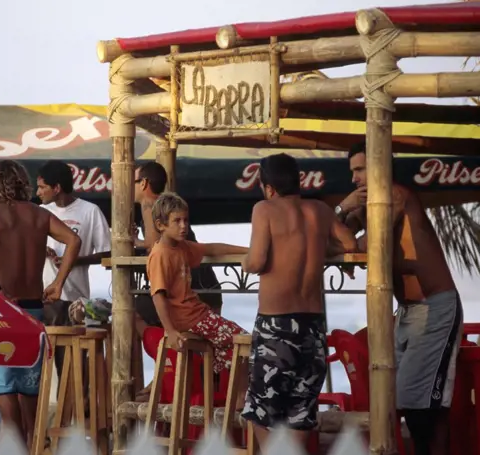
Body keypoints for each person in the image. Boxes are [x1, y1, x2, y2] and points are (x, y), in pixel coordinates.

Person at [335, 142, 463, 455]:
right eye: (352, 171)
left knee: (420, 407)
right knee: (400, 399)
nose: (355, 178)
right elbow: (337, 240)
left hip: (434, 308)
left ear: (381, 167)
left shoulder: (393, 196)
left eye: (360, 170)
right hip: (406, 312)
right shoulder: (368, 206)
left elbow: (357, 244)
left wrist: (339, 211)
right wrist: (344, 215)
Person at [239, 153, 357, 451]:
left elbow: (256, 260)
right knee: (300, 416)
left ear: (268, 187)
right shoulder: (320, 210)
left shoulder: (264, 209)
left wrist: (244, 261)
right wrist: (318, 243)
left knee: (259, 413)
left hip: (276, 327)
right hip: (313, 328)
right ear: (299, 181)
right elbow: (350, 243)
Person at [0, 159, 82, 451]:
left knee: (9, 414)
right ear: (23, 182)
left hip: (3, 313)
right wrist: (58, 283)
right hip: (34, 313)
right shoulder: (38, 215)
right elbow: (73, 240)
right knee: (33, 410)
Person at [146, 192, 249, 373]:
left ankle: (217, 385)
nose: (183, 226)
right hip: (189, 318)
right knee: (245, 342)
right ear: (160, 225)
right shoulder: (160, 254)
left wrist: (249, 251)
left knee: (236, 351)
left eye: (186, 220)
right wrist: (170, 331)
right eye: (177, 221)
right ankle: (236, 394)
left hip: (198, 314)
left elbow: (212, 248)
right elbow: (158, 296)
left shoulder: (182, 246)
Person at [36, 160, 111, 385]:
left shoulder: (90, 211)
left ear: (56, 187)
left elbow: (107, 253)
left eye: (41, 187)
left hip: (75, 300)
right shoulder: (40, 212)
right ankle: (60, 413)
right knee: (49, 367)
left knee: (74, 366)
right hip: (45, 297)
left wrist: (76, 259)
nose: (37, 192)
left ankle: (79, 414)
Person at [133, 161, 223, 331]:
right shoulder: (168, 206)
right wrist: (138, 241)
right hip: (209, 289)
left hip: (193, 297)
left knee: (128, 313)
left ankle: (167, 355)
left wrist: (135, 243)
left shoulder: (149, 206)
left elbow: (154, 247)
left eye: (133, 182)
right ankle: (173, 353)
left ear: (143, 183)